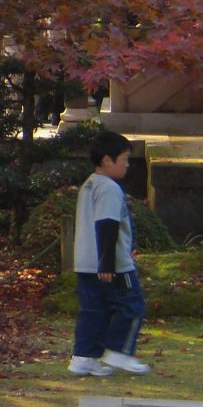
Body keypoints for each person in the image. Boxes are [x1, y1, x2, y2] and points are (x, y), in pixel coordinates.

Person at [70, 131, 148, 376]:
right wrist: (107, 263)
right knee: (132, 306)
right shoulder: (108, 188)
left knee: (94, 310)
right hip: (112, 264)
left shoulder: (89, 184)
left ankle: (84, 357)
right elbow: (107, 225)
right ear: (107, 160)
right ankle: (118, 350)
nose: (127, 165)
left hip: (85, 262)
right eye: (124, 159)